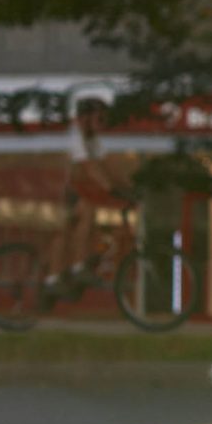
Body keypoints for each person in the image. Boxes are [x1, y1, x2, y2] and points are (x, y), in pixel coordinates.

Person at [50, 95, 124, 298]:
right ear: (85, 118)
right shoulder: (75, 135)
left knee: (85, 221)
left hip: (75, 187)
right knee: (82, 216)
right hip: (62, 188)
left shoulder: (92, 138)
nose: (102, 124)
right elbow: (90, 167)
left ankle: (75, 268)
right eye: (99, 119)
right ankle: (63, 274)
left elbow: (104, 164)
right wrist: (110, 187)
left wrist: (123, 185)